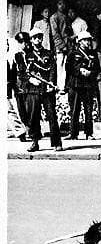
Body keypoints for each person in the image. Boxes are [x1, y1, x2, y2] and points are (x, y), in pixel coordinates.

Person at [16, 25, 62, 153]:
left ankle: (57, 143)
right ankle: (34, 141)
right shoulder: (27, 55)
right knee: (33, 117)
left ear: (42, 39)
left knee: (52, 115)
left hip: (46, 89)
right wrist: (29, 80)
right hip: (32, 90)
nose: (37, 39)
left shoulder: (49, 53)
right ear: (31, 40)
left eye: (39, 37)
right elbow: (21, 72)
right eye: (34, 37)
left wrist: (51, 83)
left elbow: (53, 70)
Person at [66, 30, 100, 140]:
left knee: (88, 110)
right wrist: (79, 70)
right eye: (85, 40)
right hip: (75, 85)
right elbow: (69, 68)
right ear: (79, 42)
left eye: (88, 40)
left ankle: (89, 133)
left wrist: (91, 73)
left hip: (88, 85)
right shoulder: (73, 54)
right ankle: (73, 133)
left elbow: (97, 69)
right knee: (75, 109)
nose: (87, 42)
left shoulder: (93, 54)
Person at [50, 0, 70, 90]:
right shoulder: (54, 17)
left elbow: (67, 31)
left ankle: (65, 85)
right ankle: (60, 87)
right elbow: (55, 33)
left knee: (66, 65)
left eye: (63, 4)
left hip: (67, 45)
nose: (62, 6)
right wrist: (62, 46)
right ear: (57, 5)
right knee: (60, 66)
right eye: (59, 4)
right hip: (60, 46)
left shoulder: (65, 17)